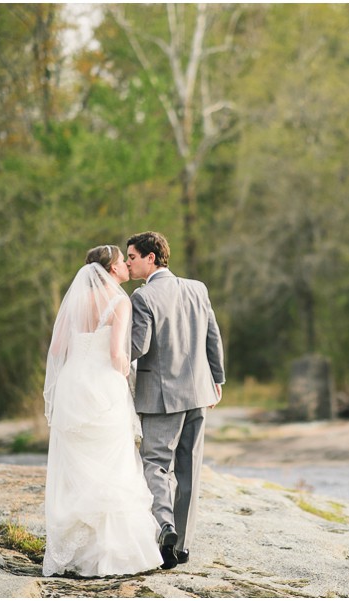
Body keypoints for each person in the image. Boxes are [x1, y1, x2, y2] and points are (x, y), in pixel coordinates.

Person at [41, 245, 163, 578]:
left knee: (78, 467)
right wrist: (129, 369)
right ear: (110, 270)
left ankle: (77, 553)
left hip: (72, 386)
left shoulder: (76, 302)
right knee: (113, 465)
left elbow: (56, 349)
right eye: (123, 262)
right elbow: (116, 355)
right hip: (102, 387)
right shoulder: (120, 301)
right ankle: (111, 555)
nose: (126, 265)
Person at [125, 231, 225, 569]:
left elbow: (139, 347)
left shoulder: (143, 297)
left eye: (132, 257)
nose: (128, 263)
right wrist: (218, 378)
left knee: (154, 463)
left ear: (151, 258)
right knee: (190, 470)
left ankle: (165, 525)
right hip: (199, 393)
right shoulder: (198, 288)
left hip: (162, 398)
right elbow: (214, 336)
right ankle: (181, 547)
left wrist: (108, 349)